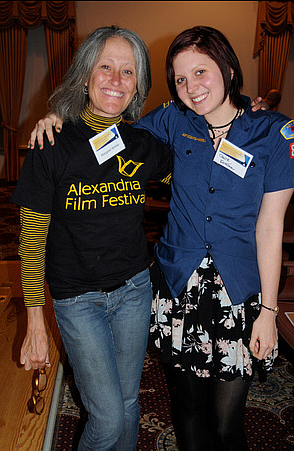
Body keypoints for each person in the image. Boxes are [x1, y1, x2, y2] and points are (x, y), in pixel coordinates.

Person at [27, 26, 289, 451]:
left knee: (224, 424)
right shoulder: (172, 120)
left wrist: (269, 311)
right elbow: (107, 122)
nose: (192, 88)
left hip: (232, 291)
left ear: (228, 66)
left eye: (201, 71)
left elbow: (270, 226)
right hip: (174, 286)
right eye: (181, 79)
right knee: (175, 410)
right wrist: (60, 115)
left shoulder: (270, 133)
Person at [11, 26, 172, 451]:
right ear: (85, 75)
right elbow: (31, 241)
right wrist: (35, 322)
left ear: (138, 84)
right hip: (78, 298)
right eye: (105, 67)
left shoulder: (141, 145)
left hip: (135, 290)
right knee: (105, 418)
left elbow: (191, 171)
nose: (116, 80)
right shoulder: (52, 144)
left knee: (129, 403)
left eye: (128, 71)